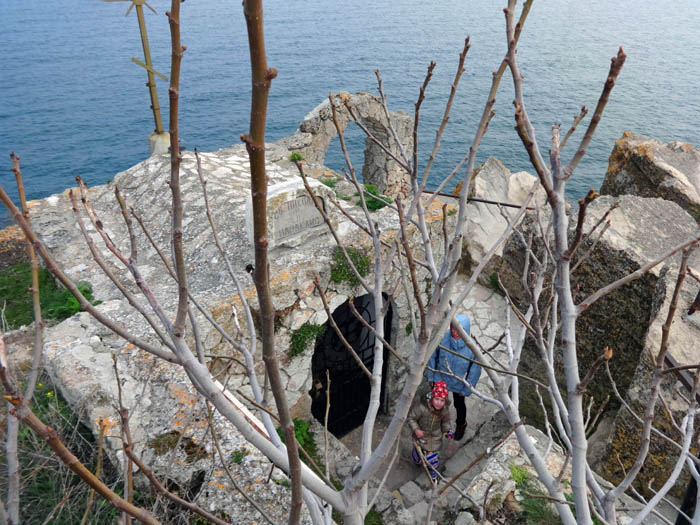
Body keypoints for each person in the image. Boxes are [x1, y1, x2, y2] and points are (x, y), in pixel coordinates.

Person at [426, 314, 481, 441]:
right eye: (452, 328)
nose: (454, 332)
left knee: (459, 404)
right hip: (441, 377)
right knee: (437, 402)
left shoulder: (472, 348)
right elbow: (432, 356)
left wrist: (466, 389)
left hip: (458, 382)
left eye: (458, 329)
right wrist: (431, 376)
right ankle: (435, 422)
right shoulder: (442, 338)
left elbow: (475, 371)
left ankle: (461, 424)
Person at [407, 380, 454, 482]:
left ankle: (433, 476)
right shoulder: (421, 407)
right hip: (421, 437)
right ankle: (418, 461)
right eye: (437, 399)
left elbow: (445, 423)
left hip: (435, 439)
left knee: (432, 461)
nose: (439, 403)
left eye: (442, 400)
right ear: (432, 397)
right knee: (417, 456)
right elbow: (411, 418)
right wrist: (416, 430)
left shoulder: (444, 411)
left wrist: (447, 431)